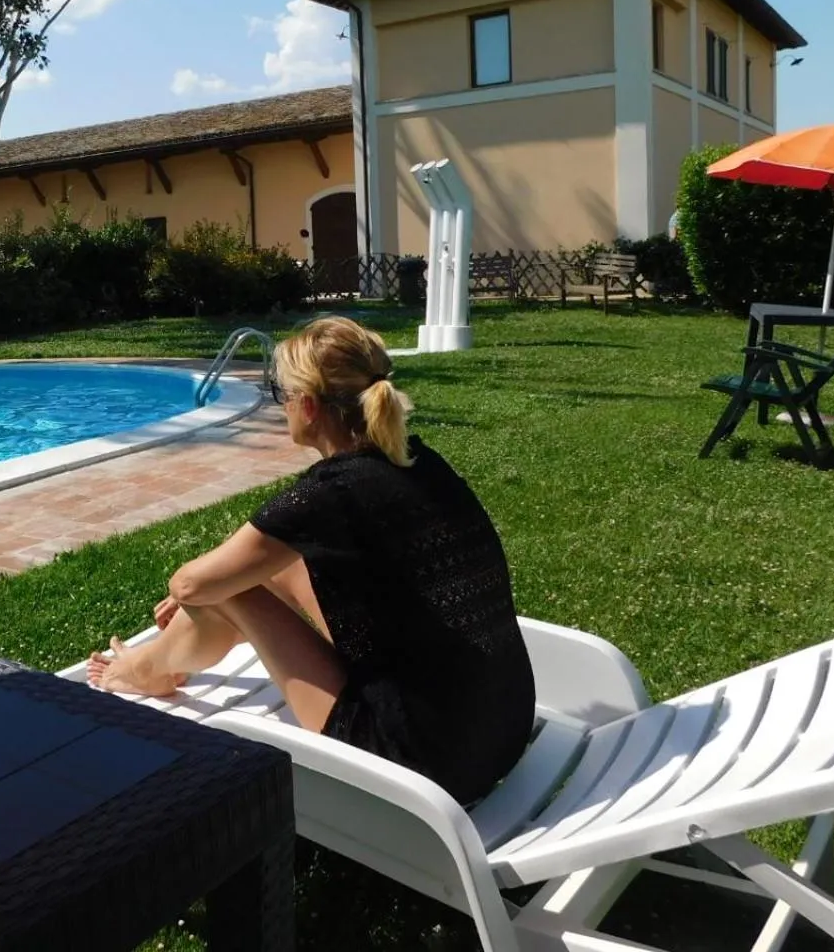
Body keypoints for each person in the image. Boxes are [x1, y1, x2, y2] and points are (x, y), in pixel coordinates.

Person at [88, 315, 535, 804]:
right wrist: (210, 590)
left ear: (307, 405)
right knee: (260, 569)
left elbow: (191, 585)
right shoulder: (416, 461)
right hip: (501, 726)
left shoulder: (331, 494)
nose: (280, 406)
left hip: (421, 762)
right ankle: (169, 662)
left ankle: (145, 671)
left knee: (233, 589)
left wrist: (196, 594)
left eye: (280, 394)